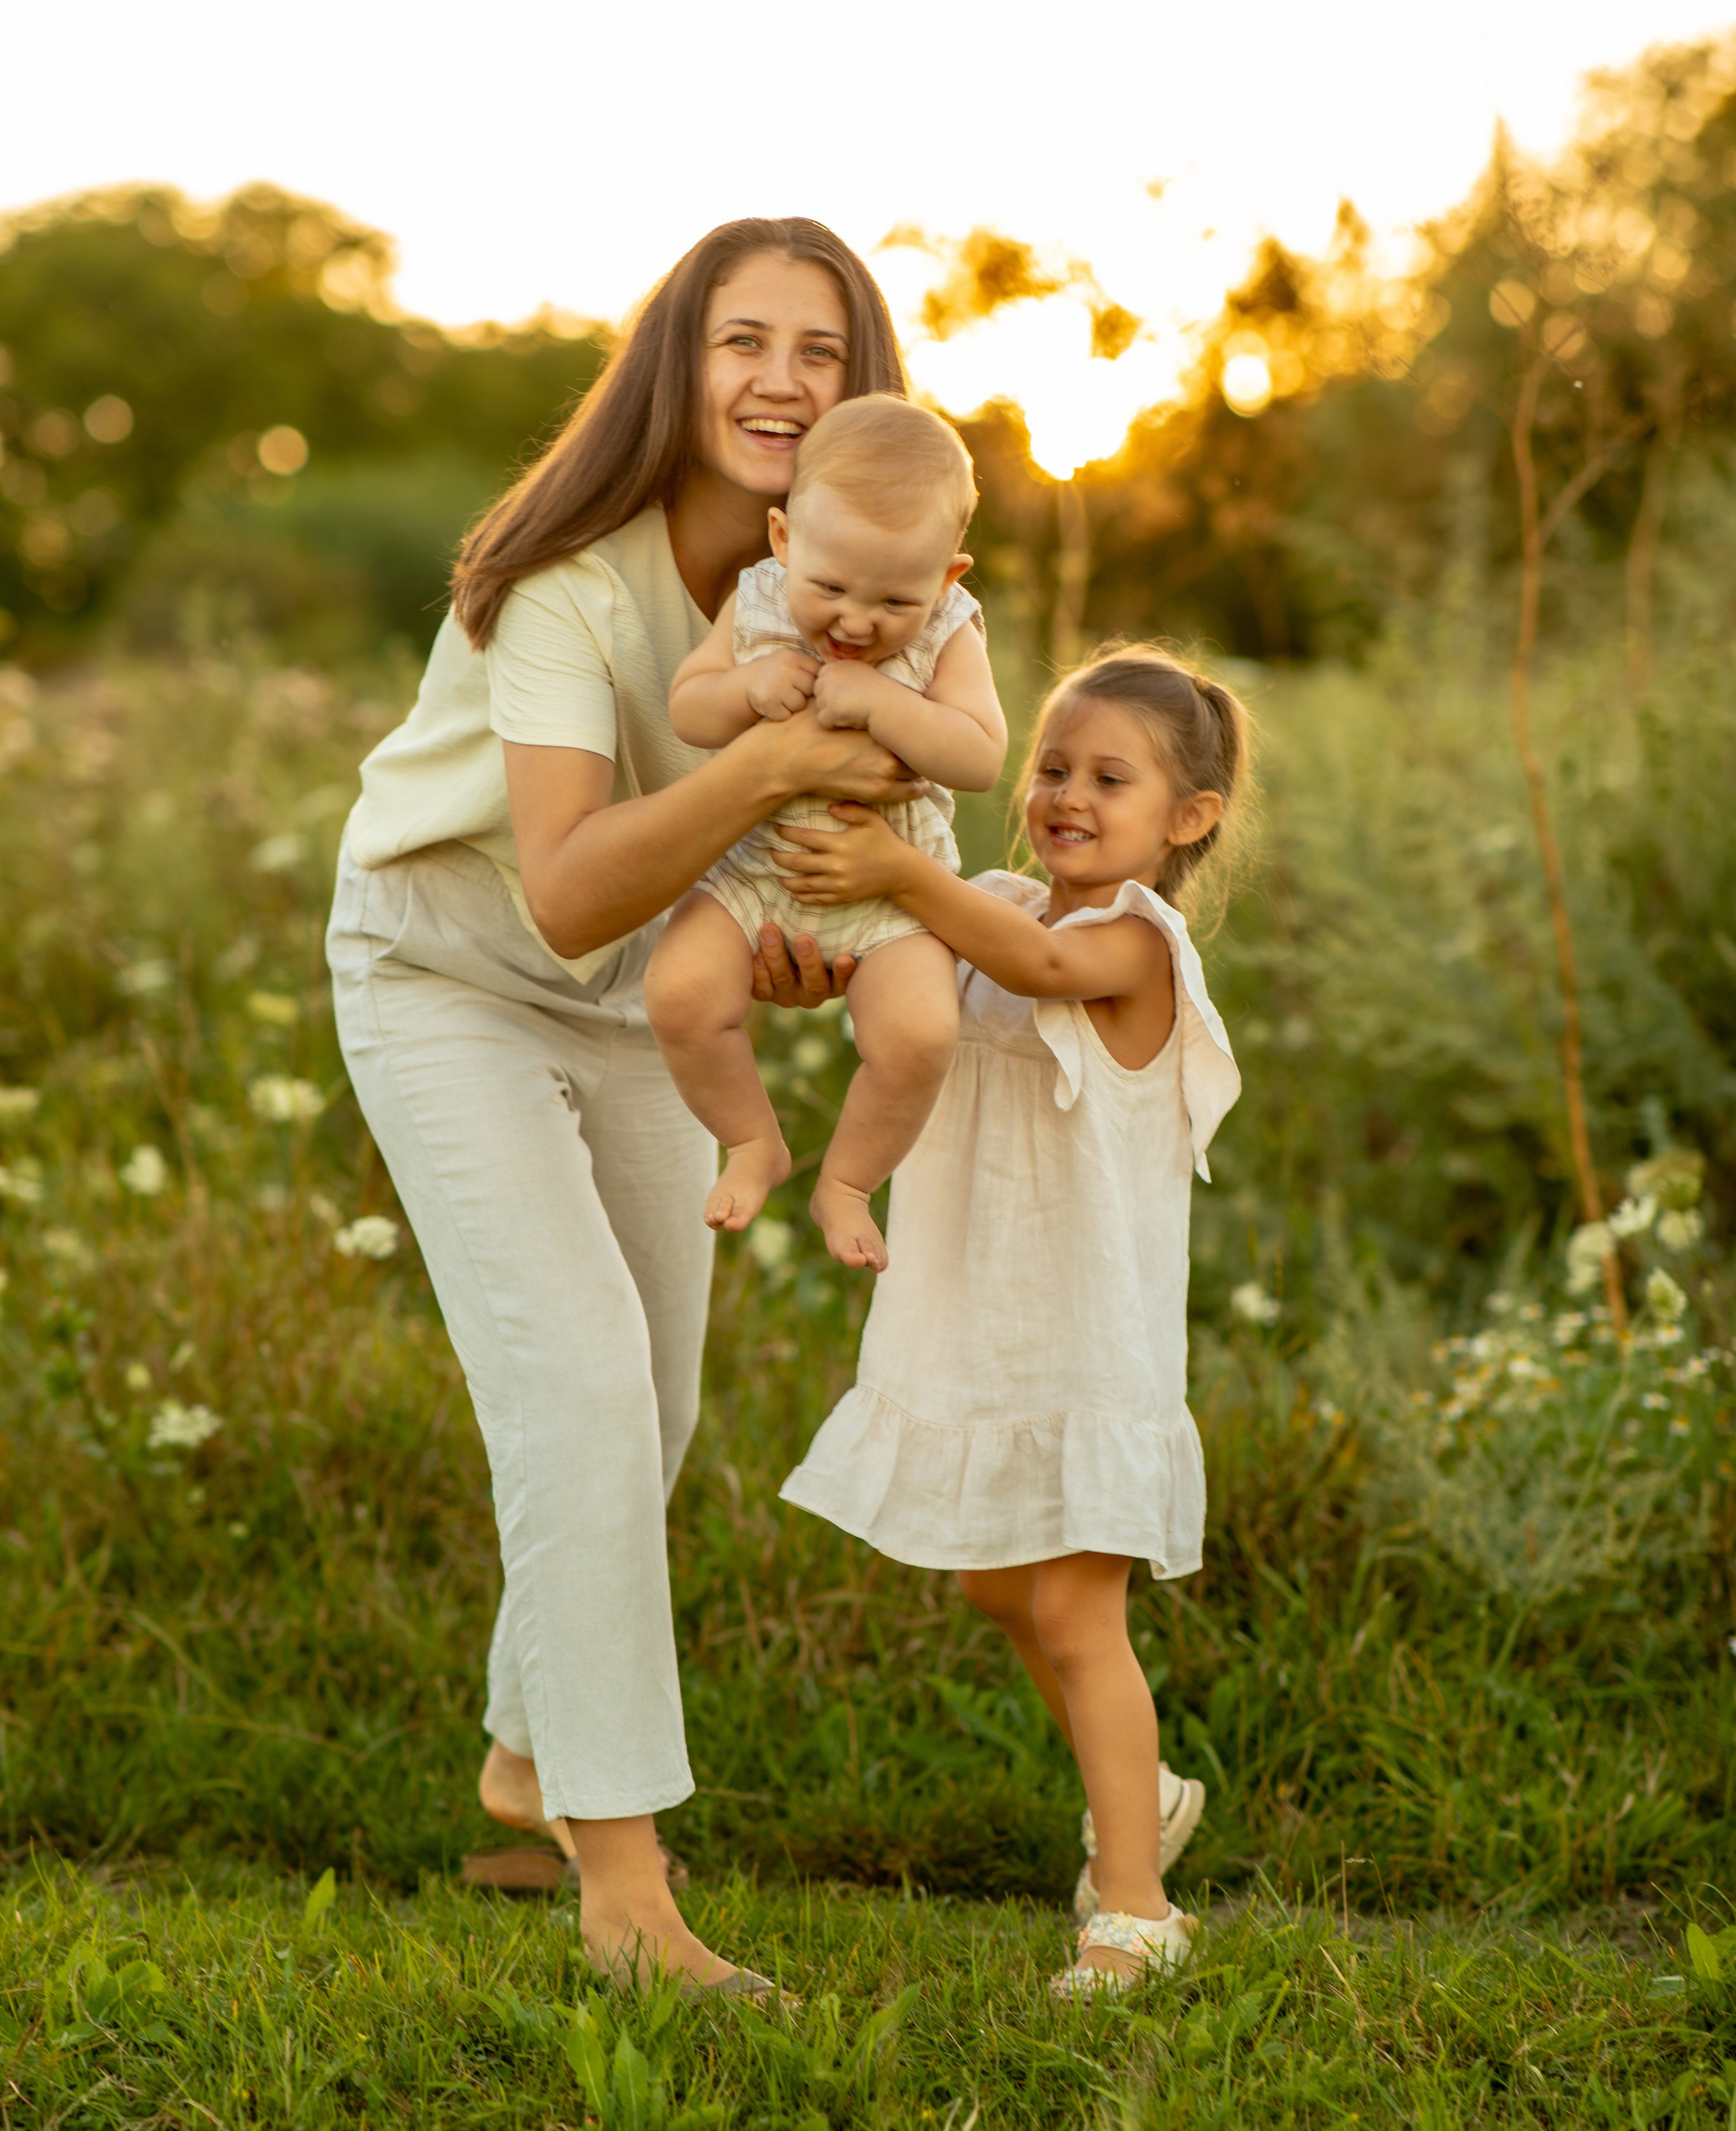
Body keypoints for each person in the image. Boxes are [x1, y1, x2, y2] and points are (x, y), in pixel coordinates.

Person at [326, 220, 925, 1995]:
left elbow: (842, 836)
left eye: (820, 351)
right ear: (679, 367)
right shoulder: (566, 586)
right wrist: (762, 769)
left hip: (637, 1015)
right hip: (451, 981)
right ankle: (625, 1890)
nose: (780, 381)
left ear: (860, 390)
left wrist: (819, 930)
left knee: (648, 1410)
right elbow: (573, 888)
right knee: (579, 1382)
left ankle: (526, 1753)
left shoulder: (846, 587)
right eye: (743, 341)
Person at [775, 644, 1248, 1995]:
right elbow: (922, 974)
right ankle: (1137, 1790)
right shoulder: (980, 901)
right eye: (1049, 768)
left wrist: (900, 879)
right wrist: (822, 948)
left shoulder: (1132, 945)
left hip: (1090, 1338)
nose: (1065, 796)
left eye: (1110, 778)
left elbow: (1037, 964)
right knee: (996, 1581)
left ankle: (1136, 1912)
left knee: (1073, 1606)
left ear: (1185, 817)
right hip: (981, 1318)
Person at [646, 395, 1006, 1270]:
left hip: (893, 891)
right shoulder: (759, 602)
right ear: (782, 541)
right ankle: (751, 1141)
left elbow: (980, 756)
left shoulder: (950, 633)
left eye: (895, 599)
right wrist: (745, 687)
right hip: (754, 872)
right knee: (680, 995)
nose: (855, 621)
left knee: (919, 1036)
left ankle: (846, 1182)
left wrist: (889, 700)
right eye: (831, 588)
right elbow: (689, 708)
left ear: (950, 577)